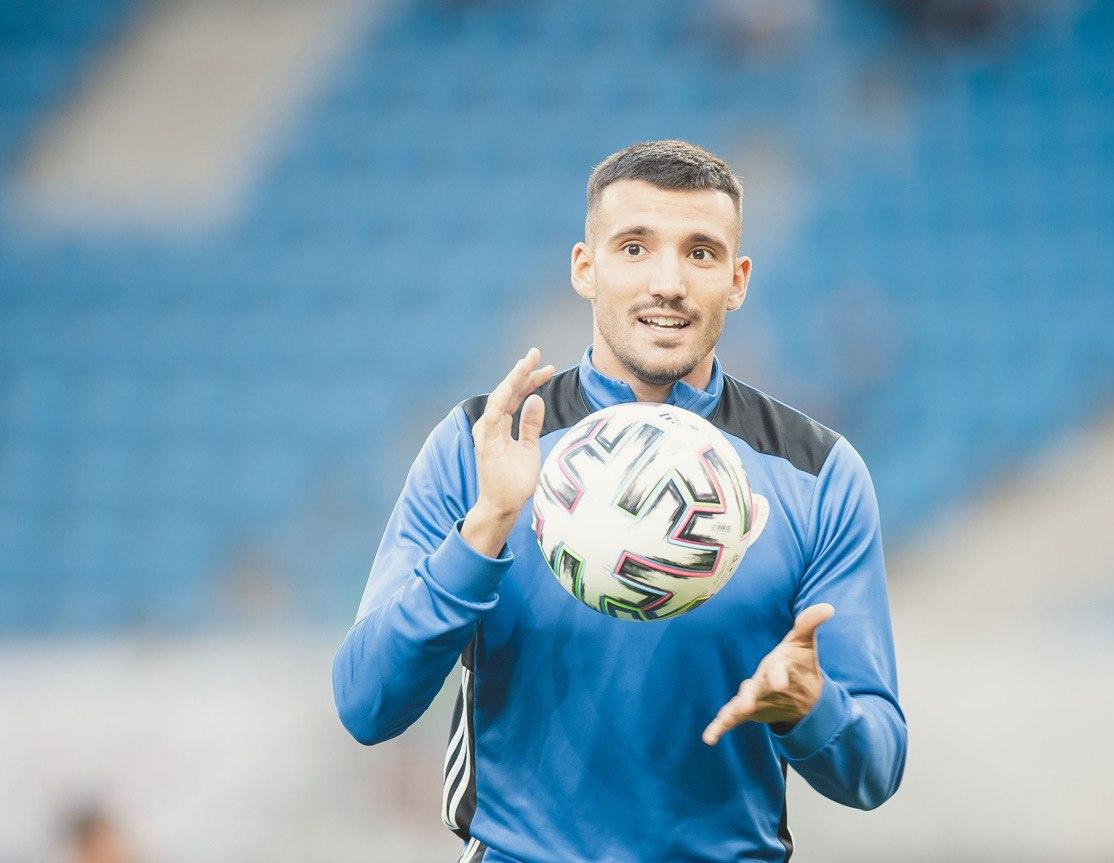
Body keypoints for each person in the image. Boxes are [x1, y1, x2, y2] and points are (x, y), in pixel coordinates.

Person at [333, 140, 907, 863]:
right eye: (635, 248)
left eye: (700, 253)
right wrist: (485, 529)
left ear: (737, 280)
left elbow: (876, 767)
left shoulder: (817, 472)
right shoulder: (481, 445)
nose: (668, 282)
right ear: (585, 267)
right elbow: (366, 704)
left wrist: (809, 706)